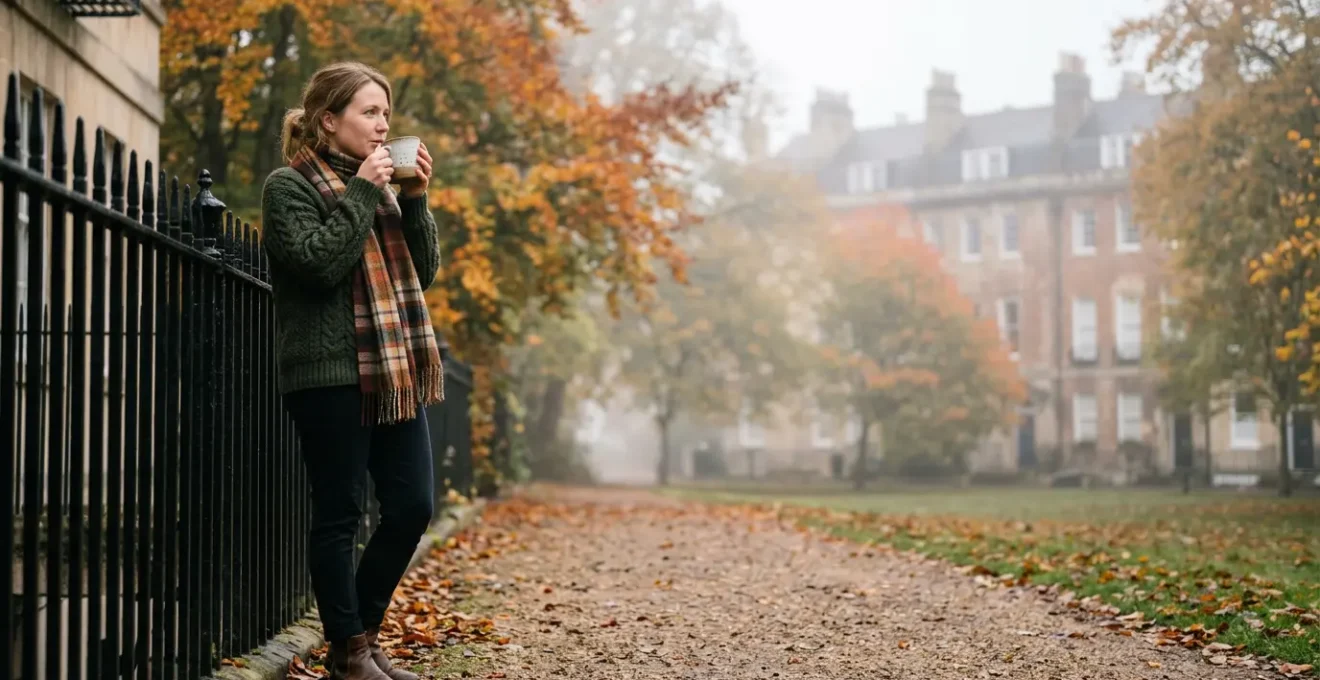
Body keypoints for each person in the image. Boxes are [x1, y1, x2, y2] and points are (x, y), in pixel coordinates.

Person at [261, 61, 445, 680]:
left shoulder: (387, 190)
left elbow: (423, 274)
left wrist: (414, 199)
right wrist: (367, 191)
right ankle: (350, 650)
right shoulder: (288, 188)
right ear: (328, 120)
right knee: (339, 513)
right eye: (369, 112)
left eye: (385, 114)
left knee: (414, 505)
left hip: (392, 372)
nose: (381, 125)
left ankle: (357, 637)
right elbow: (318, 265)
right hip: (328, 374)